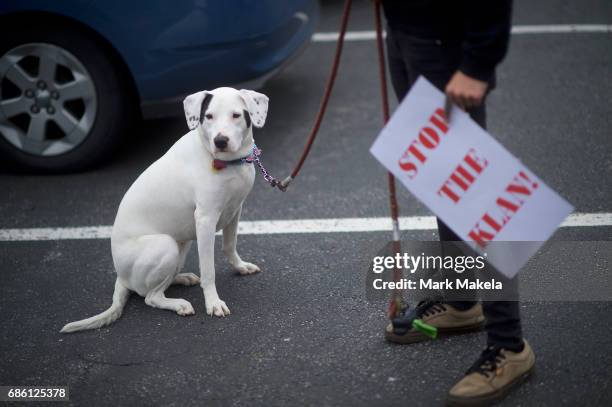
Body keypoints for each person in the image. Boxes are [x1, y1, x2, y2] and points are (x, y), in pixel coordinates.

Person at [381, 1, 535, 405]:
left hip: (444, 41)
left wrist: (478, 63)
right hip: (403, 29)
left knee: (474, 193)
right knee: (443, 180)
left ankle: (510, 346)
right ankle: (463, 301)